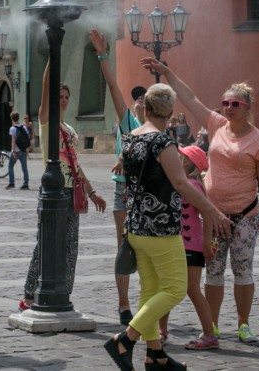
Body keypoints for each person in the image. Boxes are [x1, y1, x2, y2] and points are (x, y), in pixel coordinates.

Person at [141, 57, 259, 344]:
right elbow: (189, 98)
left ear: (247, 107)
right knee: (213, 271)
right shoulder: (215, 124)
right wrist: (167, 72)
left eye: (234, 104)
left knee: (242, 269)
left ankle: (243, 323)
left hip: (245, 214)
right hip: (213, 215)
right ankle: (211, 326)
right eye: (225, 103)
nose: (228, 108)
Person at [104, 84, 230, 371]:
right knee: (174, 289)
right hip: (161, 229)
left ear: (145, 109)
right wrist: (214, 211)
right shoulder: (164, 144)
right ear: (171, 113)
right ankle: (125, 338)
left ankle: (155, 355)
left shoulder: (129, 139)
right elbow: (182, 183)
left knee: (150, 290)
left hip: (135, 226)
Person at [18, 59, 107, 311]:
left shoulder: (69, 128)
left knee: (70, 244)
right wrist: (52, 58)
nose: (64, 99)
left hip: (71, 191)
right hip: (52, 190)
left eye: (66, 96)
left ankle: (63, 293)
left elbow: (75, 165)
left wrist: (91, 192)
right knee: (45, 242)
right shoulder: (47, 123)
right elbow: (45, 89)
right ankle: (29, 294)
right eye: (60, 95)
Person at [90, 28, 144, 325]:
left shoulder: (161, 134)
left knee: (148, 250)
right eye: (138, 100)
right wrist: (102, 56)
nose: (139, 102)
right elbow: (113, 88)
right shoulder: (129, 124)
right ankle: (124, 305)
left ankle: (147, 303)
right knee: (124, 248)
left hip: (147, 195)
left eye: (147, 101)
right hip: (123, 191)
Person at [158, 145, 218, 350]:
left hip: (191, 245)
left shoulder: (193, 186)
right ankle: (161, 331)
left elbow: (208, 214)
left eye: (180, 156)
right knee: (166, 288)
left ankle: (210, 335)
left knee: (192, 289)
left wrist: (207, 243)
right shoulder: (179, 182)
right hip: (174, 243)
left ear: (186, 162)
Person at [6, 111, 30, 190]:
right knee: (24, 167)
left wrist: (13, 151)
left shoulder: (12, 128)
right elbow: (27, 139)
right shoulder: (24, 127)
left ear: (12, 119)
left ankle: (11, 183)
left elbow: (13, 141)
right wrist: (26, 150)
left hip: (16, 151)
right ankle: (26, 184)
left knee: (10, 166)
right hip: (23, 150)